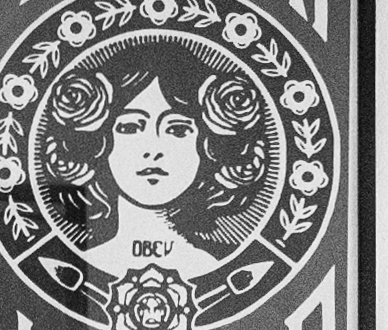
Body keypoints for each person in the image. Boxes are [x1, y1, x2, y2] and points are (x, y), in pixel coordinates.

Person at [37, 41, 272, 285]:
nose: (153, 149)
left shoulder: (220, 269)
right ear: (99, 144)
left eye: (178, 129)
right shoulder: (78, 269)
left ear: (208, 147)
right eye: (130, 127)